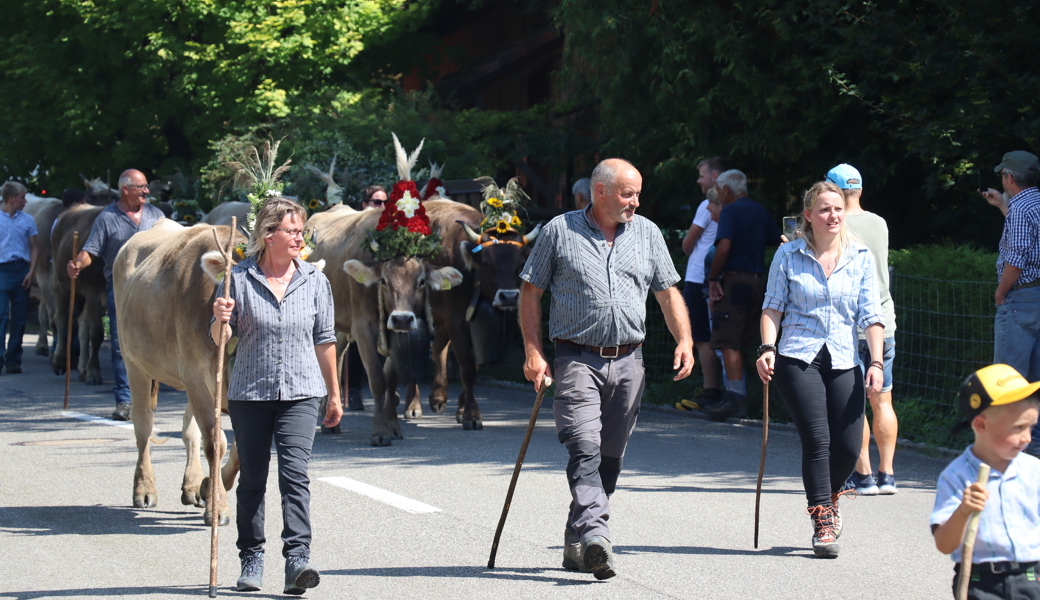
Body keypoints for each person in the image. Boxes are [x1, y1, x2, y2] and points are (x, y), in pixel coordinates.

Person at [519, 158, 694, 579]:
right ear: (601, 191)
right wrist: (533, 352)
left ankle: (576, 539)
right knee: (584, 447)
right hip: (576, 357)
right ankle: (597, 536)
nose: (636, 202)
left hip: (630, 360)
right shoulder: (560, 231)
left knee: (609, 460)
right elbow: (530, 292)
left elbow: (668, 294)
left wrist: (685, 340)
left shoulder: (648, 233)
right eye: (628, 194)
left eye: (637, 194)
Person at [211, 196, 342, 595]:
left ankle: (297, 560)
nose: (300, 238)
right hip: (251, 392)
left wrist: (334, 394)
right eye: (292, 231)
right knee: (252, 477)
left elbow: (325, 340)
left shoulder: (315, 280)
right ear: (269, 235)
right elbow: (220, 340)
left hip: (302, 392)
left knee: (295, 476)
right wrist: (220, 318)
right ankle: (251, 558)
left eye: (302, 232)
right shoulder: (237, 279)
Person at [756, 181, 884, 558]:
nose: (832, 215)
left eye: (838, 209)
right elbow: (772, 306)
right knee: (817, 439)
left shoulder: (860, 255)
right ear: (808, 215)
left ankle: (829, 495)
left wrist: (876, 362)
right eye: (824, 209)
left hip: (844, 356)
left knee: (849, 445)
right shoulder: (788, 254)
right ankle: (822, 520)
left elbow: (871, 314)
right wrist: (767, 348)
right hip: (798, 355)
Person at [931, 364, 1040, 600]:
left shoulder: (1034, 471)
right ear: (981, 425)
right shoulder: (957, 476)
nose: (1027, 438)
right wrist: (963, 510)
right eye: (1018, 427)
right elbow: (944, 545)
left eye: (1031, 427)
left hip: (1032, 578)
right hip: (980, 582)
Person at [826, 164, 900, 495]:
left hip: (849, 326)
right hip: (884, 322)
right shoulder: (879, 223)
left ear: (832, 190)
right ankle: (888, 474)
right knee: (882, 400)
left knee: (853, 403)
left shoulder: (833, 224)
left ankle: (864, 475)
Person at [68, 169, 164, 421]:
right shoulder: (107, 217)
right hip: (121, 287)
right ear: (125, 190)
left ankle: (149, 395)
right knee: (122, 345)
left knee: (153, 340)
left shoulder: (156, 216)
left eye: (146, 187)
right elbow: (91, 250)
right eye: (141, 187)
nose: (146, 191)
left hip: (153, 287)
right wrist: (77, 263)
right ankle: (124, 400)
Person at [704, 169, 782, 420]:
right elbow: (780, 240)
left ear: (726, 190)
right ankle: (746, 397)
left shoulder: (730, 211)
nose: (719, 196)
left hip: (735, 281)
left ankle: (735, 399)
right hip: (758, 282)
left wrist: (713, 278)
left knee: (729, 341)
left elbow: (724, 247)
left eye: (719, 191)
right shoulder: (760, 211)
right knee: (745, 341)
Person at [981, 151, 1040, 459]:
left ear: (1009, 178)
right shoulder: (1034, 203)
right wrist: (1002, 206)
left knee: (1008, 377)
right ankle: (1033, 445)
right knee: (1036, 378)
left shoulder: (1019, 209)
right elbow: (1031, 240)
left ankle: (1004, 447)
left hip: (1020, 299)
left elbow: (1016, 260)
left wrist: (1001, 293)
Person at [678, 157, 727, 411]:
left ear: (715, 177)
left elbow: (688, 242)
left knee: (701, 337)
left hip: (699, 277)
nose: (699, 180)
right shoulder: (729, 203)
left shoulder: (707, 204)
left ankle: (711, 390)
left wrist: (691, 250)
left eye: (702, 175)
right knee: (713, 335)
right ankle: (720, 390)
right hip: (714, 276)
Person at [0, 181, 38, 374]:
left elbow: (34, 247)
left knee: (19, 318)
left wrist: (31, 271)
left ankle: (13, 359)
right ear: (11, 198)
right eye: (22, 197)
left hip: (21, 269)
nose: (25, 201)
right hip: (2, 269)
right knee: (1, 315)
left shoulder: (28, 220)